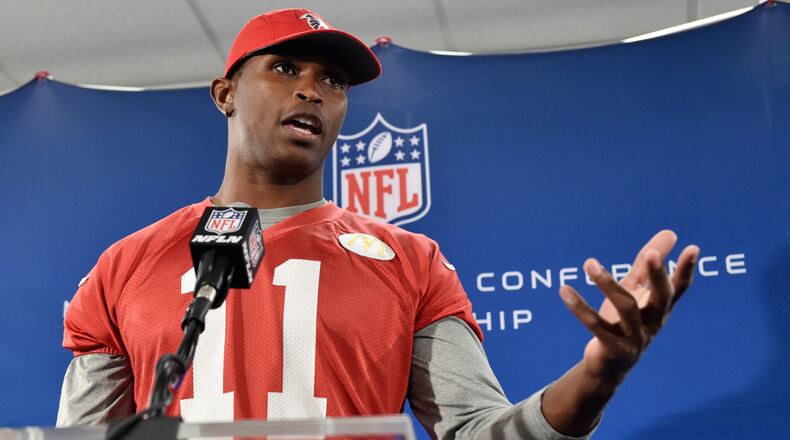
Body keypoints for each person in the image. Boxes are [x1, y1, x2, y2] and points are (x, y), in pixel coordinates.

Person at [58, 8, 700, 439]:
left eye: (332, 80)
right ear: (225, 94)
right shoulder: (125, 267)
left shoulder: (412, 262)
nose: (311, 91)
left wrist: (598, 374)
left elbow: (478, 432)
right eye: (284, 69)